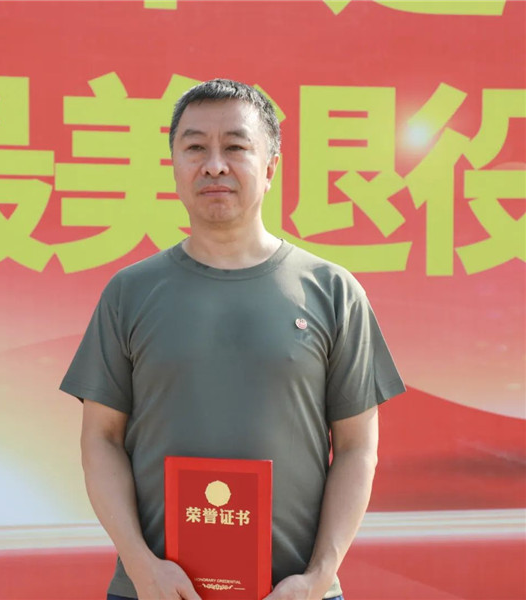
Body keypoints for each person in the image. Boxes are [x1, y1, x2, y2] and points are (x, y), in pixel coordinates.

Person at [60, 78, 405, 600]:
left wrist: (317, 577)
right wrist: (142, 566)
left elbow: (358, 448)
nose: (214, 165)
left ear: (270, 167)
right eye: (195, 147)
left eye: (236, 147)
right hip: (154, 590)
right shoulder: (130, 292)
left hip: (294, 593)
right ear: (174, 165)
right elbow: (100, 440)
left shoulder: (333, 291)